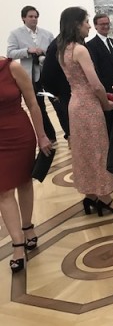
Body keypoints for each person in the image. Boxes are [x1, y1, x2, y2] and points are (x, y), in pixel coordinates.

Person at [57, 7, 113, 216]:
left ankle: (90, 196)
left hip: (75, 105)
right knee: (98, 150)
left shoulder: (63, 50)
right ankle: (105, 197)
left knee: (83, 151)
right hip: (89, 105)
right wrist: (106, 104)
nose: (88, 25)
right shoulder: (80, 50)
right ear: (76, 24)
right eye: (86, 21)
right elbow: (95, 85)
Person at [0, 56, 53, 273]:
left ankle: (27, 226)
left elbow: (32, 102)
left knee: (24, 183)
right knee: (3, 190)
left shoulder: (12, 67)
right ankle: (18, 244)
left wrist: (42, 136)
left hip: (19, 135)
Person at [7, 5, 57, 143]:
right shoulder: (15, 34)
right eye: (30, 16)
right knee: (39, 107)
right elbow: (10, 53)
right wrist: (28, 50)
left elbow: (54, 52)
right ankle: (50, 136)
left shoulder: (47, 34)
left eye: (36, 16)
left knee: (57, 103)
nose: (34, 19)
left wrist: (44, 52)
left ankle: (69, 134)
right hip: (30, 77)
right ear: (23, 18)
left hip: (47, 74)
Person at [86, 13, 113, 133]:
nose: (105, 26)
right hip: (105, 87)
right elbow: (95, 69)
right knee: (108, 119)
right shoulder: (90, 45)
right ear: (95, 26)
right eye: (102, 24)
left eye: (107, 23)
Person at [41, 37, 71, 143]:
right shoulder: (56, 45)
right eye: (85, 23)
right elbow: (46, 75)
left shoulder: (75, 42)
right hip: (64, 92)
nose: (89, 26)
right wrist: (56, 93)